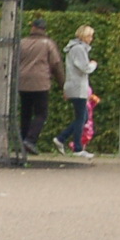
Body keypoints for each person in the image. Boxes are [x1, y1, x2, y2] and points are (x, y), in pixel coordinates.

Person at [17, 18, 62, 154]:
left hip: (22, 82)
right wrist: (62, 84)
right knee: (41, 113)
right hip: (41, 83)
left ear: (32, 28)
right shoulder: (48, 44)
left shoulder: (21, 43)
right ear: (44, 29)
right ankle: (30, 140)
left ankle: (22, 141)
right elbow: (56, 64)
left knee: (25, 113)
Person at [52, 25, 97, 159]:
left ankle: (62, 138)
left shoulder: (75, 48)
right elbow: (84, 68)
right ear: (83, 36)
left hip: (74, 86)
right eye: (89, 36)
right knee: (81, 118)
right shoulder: (79, 49)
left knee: (82, 118)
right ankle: (77, 147)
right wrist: (93, 64)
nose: (91, 39)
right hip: (78, 87)